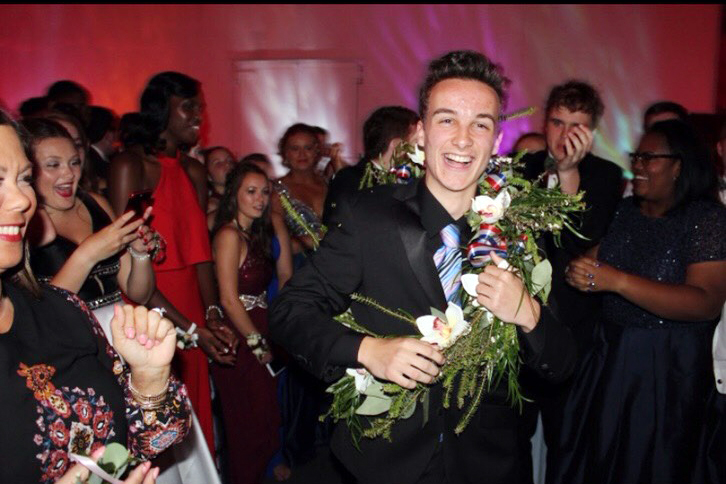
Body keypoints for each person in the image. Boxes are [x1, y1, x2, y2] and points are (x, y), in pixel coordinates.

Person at [270, 50, 577, 484]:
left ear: (496, 140)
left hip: (489, 463)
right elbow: (289, 312)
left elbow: (563, 363)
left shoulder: (519, 231)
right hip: (386, 460)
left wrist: (527, 312)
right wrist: (369, 351)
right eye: (447, 119)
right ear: (420, 132)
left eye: (481, 124)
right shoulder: (368, 217)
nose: (463, 139)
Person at [0, 109, 190, 484]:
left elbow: (133, 444)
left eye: (23, 179)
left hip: (117, 325)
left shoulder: (63, 310)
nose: (21, 199)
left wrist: (150, 382)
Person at [550, 120, 726, 484]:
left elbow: (705, 302)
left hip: (666, 367)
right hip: (609, 358)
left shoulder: (707, 219)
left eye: (650, 157)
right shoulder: (627, 211)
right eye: (637, 156)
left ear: (679, 165)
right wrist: (581, 272)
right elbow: (595, 261)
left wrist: (618, 282)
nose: (639, 165)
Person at [108, 72, 235, 457]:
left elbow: (200, 255)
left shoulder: (194, 171)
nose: (199, 115)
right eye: (189, 106)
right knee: (157, 428)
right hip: (150, 306)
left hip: (192, 307)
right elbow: (123, 256)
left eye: (200, 106)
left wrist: (211, 315)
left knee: (195, 420)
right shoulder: (129, 165)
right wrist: (189, 327)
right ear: (162, 110)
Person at [517, 80, 623, 481]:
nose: (564, 134)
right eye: (557, 122)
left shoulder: (606, 175)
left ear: (591, 131)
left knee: (569, 438)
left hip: (576, 325)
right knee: (512, 435)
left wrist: (568, 173)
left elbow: (580, 239)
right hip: (519, 324)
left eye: (575, 125)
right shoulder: (522, 168)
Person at [23, 117, 154, 342]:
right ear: (28, 170)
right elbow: (43, 313)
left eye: (74, 162)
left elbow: (139, 294)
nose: (69, 174)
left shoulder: (96, 204)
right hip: (67, 340)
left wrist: (140, 253)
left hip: (120, 333)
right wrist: (89, 253)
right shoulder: (23, 221)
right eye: (53, 165)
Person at [210, 162, 293, 483]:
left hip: (259, 327)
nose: (259, 199)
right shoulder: (229, 235)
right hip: (241, 337)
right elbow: (229, 299)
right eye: (251, 192)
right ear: (234, 194)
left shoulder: (252, 231)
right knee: (248, 428)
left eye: (264, 192)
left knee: (264, 424)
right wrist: (257, 343)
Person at [323, 106, 419, 225]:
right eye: (415, 142)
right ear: (397, 146)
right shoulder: (351, 181)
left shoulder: (413, 178)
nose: (421, 147)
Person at [271, 123, 327, 257]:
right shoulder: (277, 191)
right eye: (295, 148)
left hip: (335, 266)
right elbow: (272, 242)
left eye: (307, 148)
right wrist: (307, 241)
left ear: (316, 151)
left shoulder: (329, 183)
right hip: (298, 269)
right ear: (285, 153)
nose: (302, 154)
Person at [202, 145, 235, 216]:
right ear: (208, 176)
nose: (227, 164)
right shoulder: (212, 206)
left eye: (230, 161)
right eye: (218, 163)